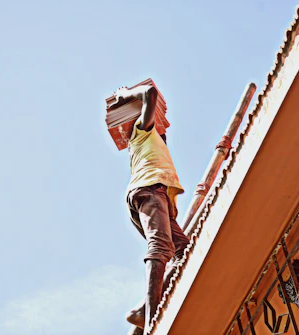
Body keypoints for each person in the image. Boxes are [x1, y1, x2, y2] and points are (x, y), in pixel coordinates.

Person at [112, 84, 189, 333]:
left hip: (155, 194)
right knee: (161, 246)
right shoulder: (141, 131)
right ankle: (151, 319)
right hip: (149, 190)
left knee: (183, 252)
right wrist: (124, 95)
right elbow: (150, 94)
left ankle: (144, 308)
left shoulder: (153, 140)